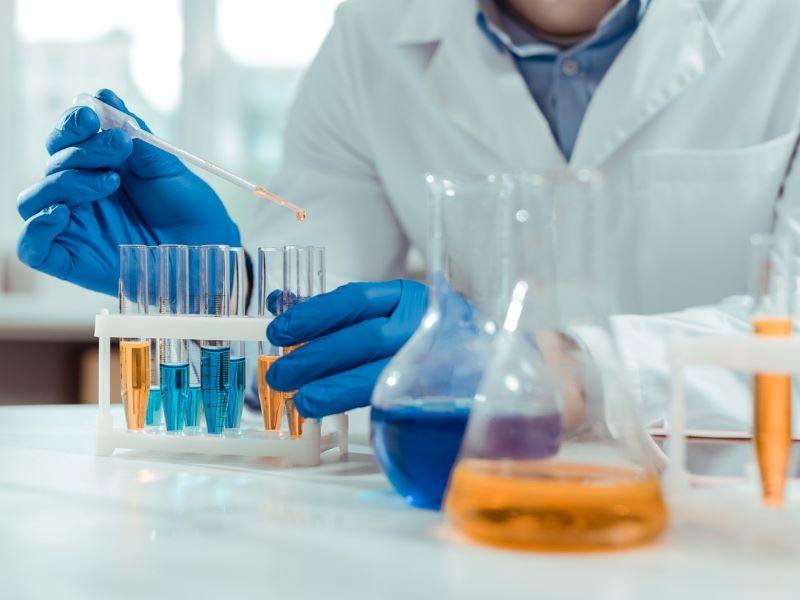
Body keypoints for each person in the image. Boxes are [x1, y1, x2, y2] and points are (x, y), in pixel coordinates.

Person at [16, 0, 800, 430]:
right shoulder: (371, 33)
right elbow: (319, 297)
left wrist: (543, 368)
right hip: (451, 517)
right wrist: (221, 296)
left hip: (732, 524)